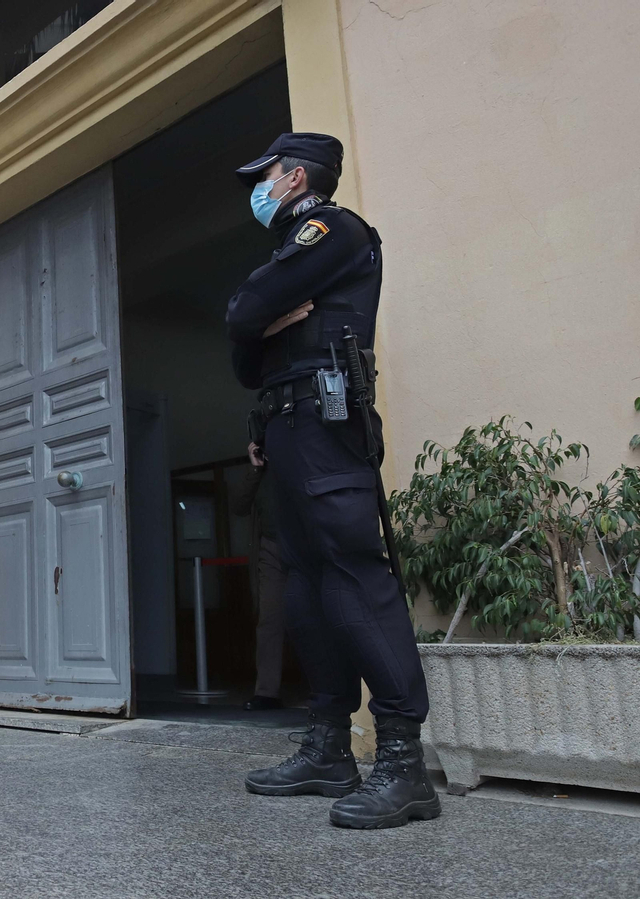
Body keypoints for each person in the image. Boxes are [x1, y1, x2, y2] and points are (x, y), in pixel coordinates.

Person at [226, 132, 439, 828]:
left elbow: (244, 311)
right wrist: (259, 327)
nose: (259, 190)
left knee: (352, 573)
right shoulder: (289, 253)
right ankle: (328, 746)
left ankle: (404, 763)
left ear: (293, 176)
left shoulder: (335, 230)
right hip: (285, 428)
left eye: (265, 176)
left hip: (327, 420)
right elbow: (244, 357)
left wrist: (258, 322)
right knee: (306, 584)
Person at [236, 441, 285, 712]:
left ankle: (326, 695)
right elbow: (239, 506)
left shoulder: (301, 455)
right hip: (270, 548)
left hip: (305, 547)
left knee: (312, 617)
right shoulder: (262, 470)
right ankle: (267, 692)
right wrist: (255, 468)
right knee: (269, 620)